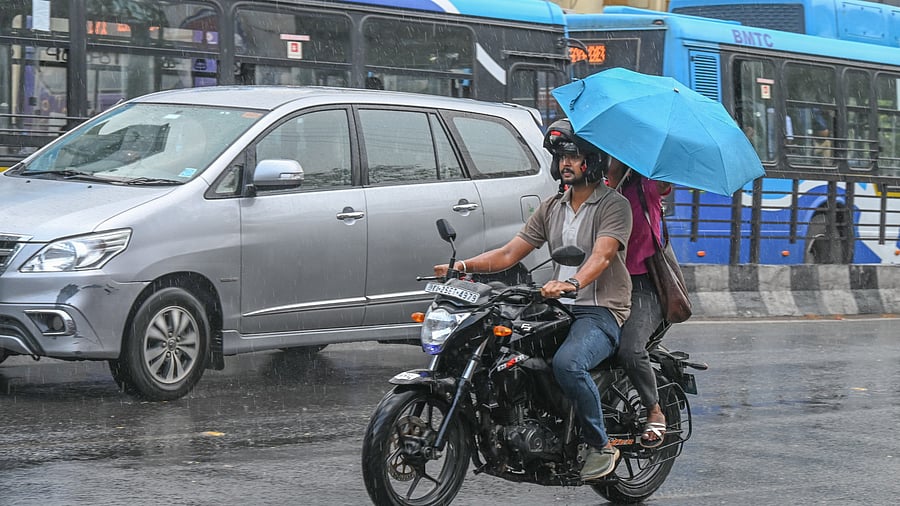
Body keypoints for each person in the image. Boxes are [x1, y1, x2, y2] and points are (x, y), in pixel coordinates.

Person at [434, 118, 633, 480]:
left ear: (592, 160)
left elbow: (602, 256)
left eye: (573, 156)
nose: (565, 164)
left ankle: (600, 444)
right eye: (560, 157)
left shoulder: (614, 206)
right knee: (508, 353)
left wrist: (572, 282)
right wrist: (462, 266)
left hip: (600, 310)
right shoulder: (552, 206)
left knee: (568, 364)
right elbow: (510, 253)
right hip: (556, 307)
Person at [606, 158, 672, 449]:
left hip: (643, 286)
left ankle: (654, 410)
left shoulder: (646, 186)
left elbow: (664, 182)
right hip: (602, 286)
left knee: (631, 350)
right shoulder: (594, 191)